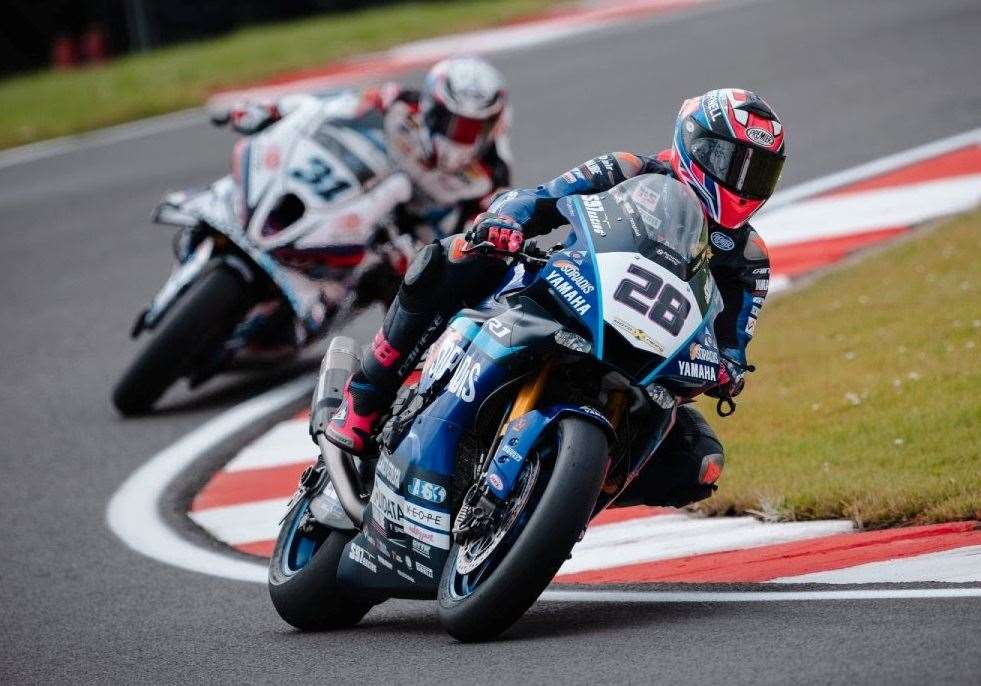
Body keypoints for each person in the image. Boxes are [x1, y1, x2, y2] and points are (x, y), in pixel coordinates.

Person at [326, 88, 787, 508]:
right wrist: (509, 221)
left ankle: (552, 502)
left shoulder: (748, 257)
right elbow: (541, 198)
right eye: (733, 162)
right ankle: (365, 396)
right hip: (566, 290)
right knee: (458, 255)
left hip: (648, 351)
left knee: (698, 462)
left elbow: (734, 340)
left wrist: (726, 370)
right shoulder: (630, 168)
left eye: (760, 173)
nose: (744, 182)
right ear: (699, 145)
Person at [212, 55, 513, 248]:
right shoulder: (397, 103)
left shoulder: (490, 175)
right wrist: (272, 109)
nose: (456, 135)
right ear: (431, 107)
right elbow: (330, 107)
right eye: (450, 121)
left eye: (470, 129)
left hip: (397, 240)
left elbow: (475, 236)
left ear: (492, 128)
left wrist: (456, 247)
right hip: (348, 187)